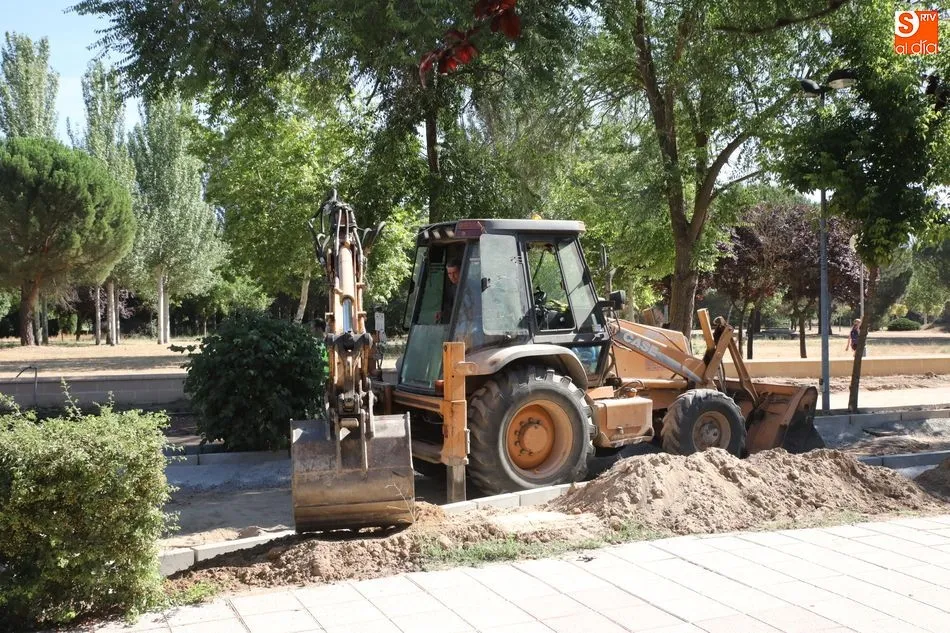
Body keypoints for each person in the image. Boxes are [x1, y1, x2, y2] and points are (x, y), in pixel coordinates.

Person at [436, 258, 461, 323]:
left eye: (454, 273)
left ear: (461, 271)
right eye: (449, 273)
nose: (452, 276)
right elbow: (451, 309)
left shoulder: (473, 286)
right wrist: (443, 314)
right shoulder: (452, 289)